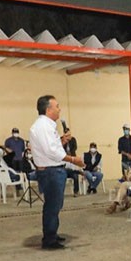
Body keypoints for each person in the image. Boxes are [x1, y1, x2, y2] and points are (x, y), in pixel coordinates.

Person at [29, 95, 84, 250]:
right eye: (57, 106)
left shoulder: (47, 126)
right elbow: (51, 151)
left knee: (55, 204)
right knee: (52, 206)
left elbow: (50, 147)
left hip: (52, 169)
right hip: (51, 171)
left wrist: (62, 141)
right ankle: (49, 239)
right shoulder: (43, 126)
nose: (59, 109)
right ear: (48, 109)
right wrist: (73, 160)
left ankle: (52, 233)